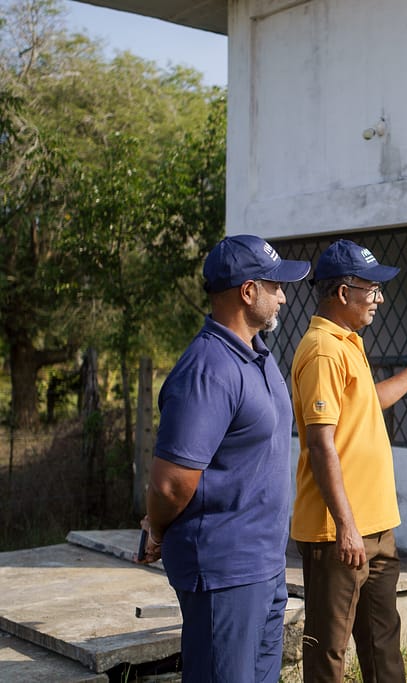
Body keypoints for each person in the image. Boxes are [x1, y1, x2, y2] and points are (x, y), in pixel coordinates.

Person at [138, 235, 311, 683]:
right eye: (275, 286)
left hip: (266, 565)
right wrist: (157, 529)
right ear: (247, 291)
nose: (283, 296)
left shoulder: (258, 356)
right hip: (224, 572)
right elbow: (171, 483)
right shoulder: (207, 369)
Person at [290, 238, 407, 683]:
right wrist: (346, 525)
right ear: (344, 293)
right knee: (329, 650)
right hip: (339, 532)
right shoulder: (323, 350)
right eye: (372, 289)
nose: (380, 298)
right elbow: (321, 442)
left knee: (383, 641)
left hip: (377, 528)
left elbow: (369, 403)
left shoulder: (349, 343)